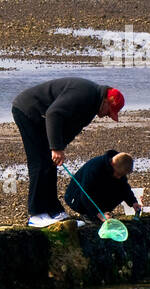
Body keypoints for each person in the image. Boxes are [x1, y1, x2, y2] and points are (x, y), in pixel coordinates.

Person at [11, 77, 125, 228]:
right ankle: (36, 214)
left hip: (43, 118)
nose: (106, 115)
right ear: (106, 101)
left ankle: (54, 210)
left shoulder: (91, 107)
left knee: (50, 163)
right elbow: (53, 113)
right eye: (109, 112)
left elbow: (71, 129)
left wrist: (59, 149)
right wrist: (55, 148)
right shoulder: (84, 94)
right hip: (28, 111)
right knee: (39, 163)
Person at [64, 149, 141, 223]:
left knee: (119, 189)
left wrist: (133, 202)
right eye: (118, 174)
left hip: (96, 190)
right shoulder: (95, 169)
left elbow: (124, 187)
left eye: (122, 175)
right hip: (76, 197)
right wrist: (98, 214)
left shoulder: (119, 166)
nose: (119, 177)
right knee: (90, 200)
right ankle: (89, 215)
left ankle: (102, 213)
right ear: (112, 164)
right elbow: (85, 195)